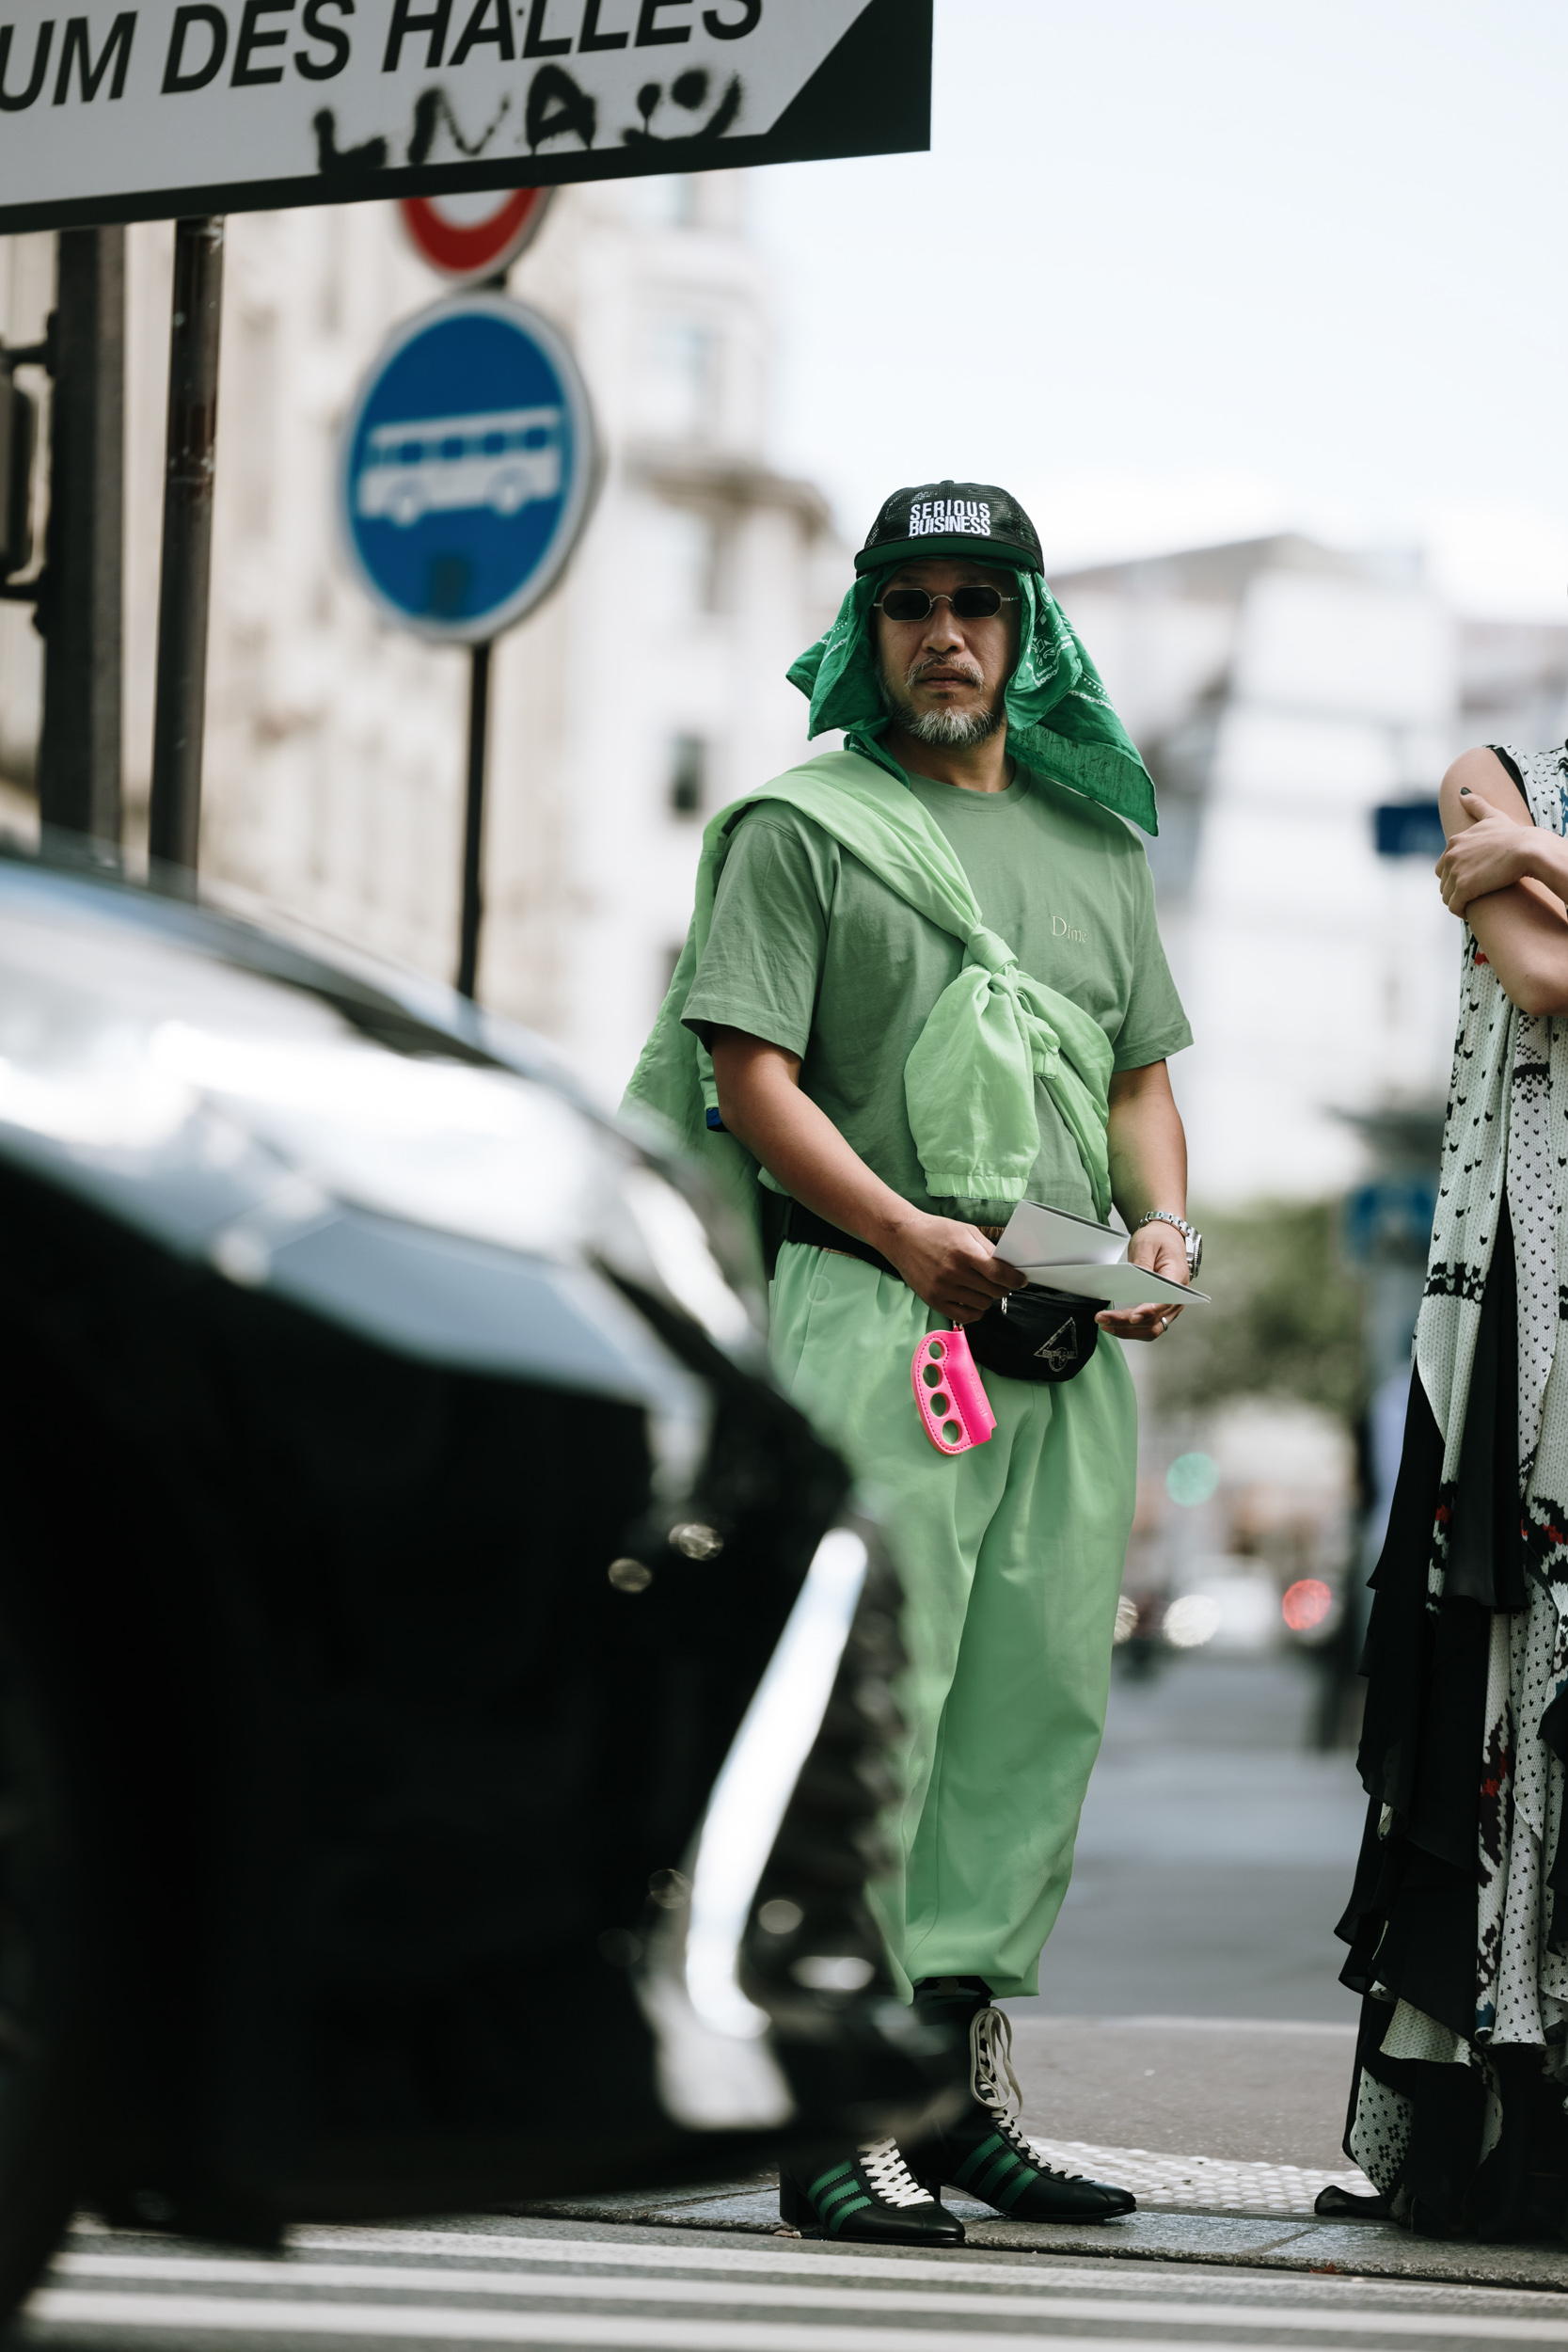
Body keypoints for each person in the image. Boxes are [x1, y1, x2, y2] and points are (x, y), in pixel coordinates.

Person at [626, 481, 1195, 2245]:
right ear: (865, 631)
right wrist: (900, 1236)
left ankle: (948, 2099)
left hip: (1065, 1316)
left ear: (1031, 639)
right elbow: (751, 1076)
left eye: (981, 603)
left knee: (1031, 1709)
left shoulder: (1100, 851)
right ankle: (825, 2106)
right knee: (873, 1710)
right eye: (910, 603)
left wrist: (1163, 1230)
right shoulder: (802, 824)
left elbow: (1137, 1084)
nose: (946, 634)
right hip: (881, 1304)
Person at [1329, 741, 1568, 2239]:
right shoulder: (1489, 768)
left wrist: (1548, 863)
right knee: (1519, 1669)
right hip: (1538, 1304)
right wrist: (1525, 864)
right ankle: (1515, 2124)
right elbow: (1543, 981)